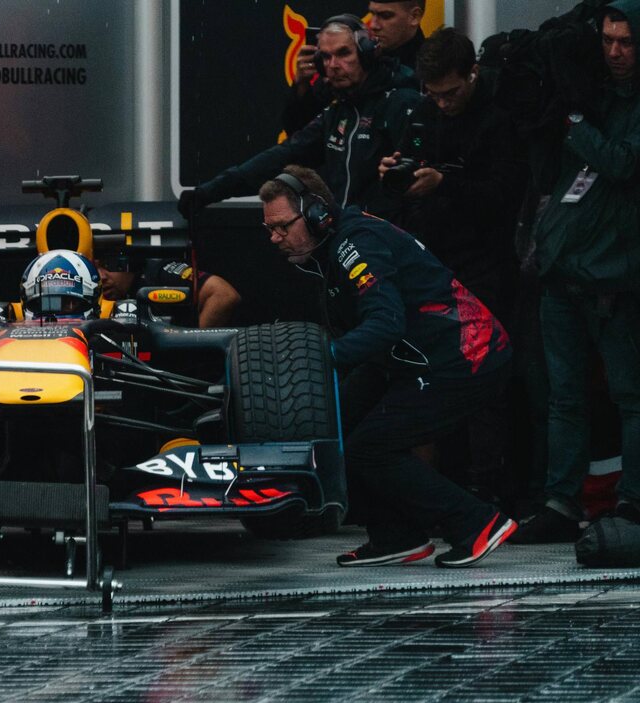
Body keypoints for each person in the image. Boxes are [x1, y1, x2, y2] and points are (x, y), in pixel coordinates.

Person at [258, 165, 516, 567]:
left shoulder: (356, 244)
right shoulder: (333, 246)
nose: (275, 238)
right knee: (335, 425)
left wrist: (323, 357)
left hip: (464, 357)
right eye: (269, 229)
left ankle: (476, 522)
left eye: (282, 227)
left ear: (317, 214)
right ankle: (396, 536)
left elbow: (385, 323)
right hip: (414, 355)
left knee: (370, 448)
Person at [379, 27, 528, 502]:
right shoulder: (424, 113)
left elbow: (505, 196)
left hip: (485, 263)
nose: (443, 102)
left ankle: (490, 485)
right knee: (428, 375)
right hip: (431, 262)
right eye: (434, 93)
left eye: (451, 93)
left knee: (486, 377)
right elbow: (404, 181)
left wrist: (444, 183)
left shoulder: (499, 119)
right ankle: (436, 489)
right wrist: (393, 174)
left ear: (473, 74)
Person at [515, 0, 640, 543]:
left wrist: (572, 118)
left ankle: (633, 502)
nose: (614, 52)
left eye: (626, 42)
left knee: (631, 396)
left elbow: (621, 163)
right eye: (607, 40)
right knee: (563, 397)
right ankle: (561, 502)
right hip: (563, 270)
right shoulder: (590, 93)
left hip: (617, 278)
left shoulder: (590, 106)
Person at [183, 15, 421, 223]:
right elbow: (279, 158)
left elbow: (421, 179)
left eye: (343, 53)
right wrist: (208, 192)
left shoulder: (401, 102)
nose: (333, 65)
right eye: (325, 57)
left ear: (367, 53)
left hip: (392, 243)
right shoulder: (338, 110)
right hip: (352, 237)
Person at [283, 1, 427, 136]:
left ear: (414, 16)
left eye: (385, 16)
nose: (374, 25)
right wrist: (301, 85)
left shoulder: (430, 67)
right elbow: (297, 131)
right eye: (372, 14)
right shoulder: (357, 55)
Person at [97, 255, 241, 328]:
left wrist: (196, 346)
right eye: (92, 267)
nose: (101, 276)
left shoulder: (159, 273)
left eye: (108, 265)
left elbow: (224, 295)